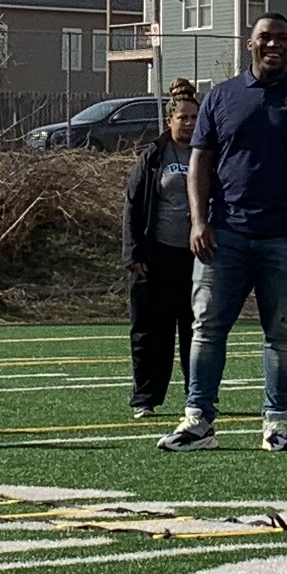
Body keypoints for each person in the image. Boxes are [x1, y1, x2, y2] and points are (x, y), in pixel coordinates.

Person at [168, 13, 287, 455]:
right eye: (265, 38)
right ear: (249, 45)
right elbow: (200, 162)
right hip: (225, 234)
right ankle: (198, 421)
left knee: (282, 332)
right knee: (207, 328)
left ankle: (277, 423)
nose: (275, 45)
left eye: (283, 38)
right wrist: (198, 220)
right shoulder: (221, 98)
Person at [119, 86, 199, 417]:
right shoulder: (154, 156)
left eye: (195, 118)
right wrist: (133, 253)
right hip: (157, 258)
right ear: (169, 120)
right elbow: (133, 205)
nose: (190, 124)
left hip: (196, 259)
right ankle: (145, 398)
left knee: (196, 334)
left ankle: (197, 398)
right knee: (152, 333)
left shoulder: (208, 153)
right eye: (183, 118)